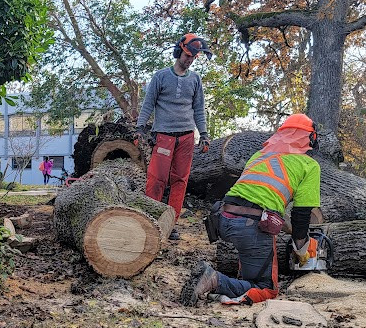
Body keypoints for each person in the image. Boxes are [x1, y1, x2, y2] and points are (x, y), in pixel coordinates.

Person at [189, 113, 322, 306]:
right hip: (251, 227)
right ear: (310, 139)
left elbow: (255, 197)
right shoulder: (309, 165)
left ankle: (223, 288)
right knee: (266, 288)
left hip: (223, 218)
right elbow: (301, 216)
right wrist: (302, 251)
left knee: (249, 272)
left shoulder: (259, 156)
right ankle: (214, 280)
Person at [136, 33, 213, 239]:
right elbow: (148, 104)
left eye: (193, 58)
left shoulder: (195, 79)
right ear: (179, 51)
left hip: (187, 137)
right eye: (187, 55)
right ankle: (149, 218)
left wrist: (203, 134)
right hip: (164, 135)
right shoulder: (161, 76)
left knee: (180, 180)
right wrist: (140, 127)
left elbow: (199, 109)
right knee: (156, 179)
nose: (189, 60)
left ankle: (170, 224)